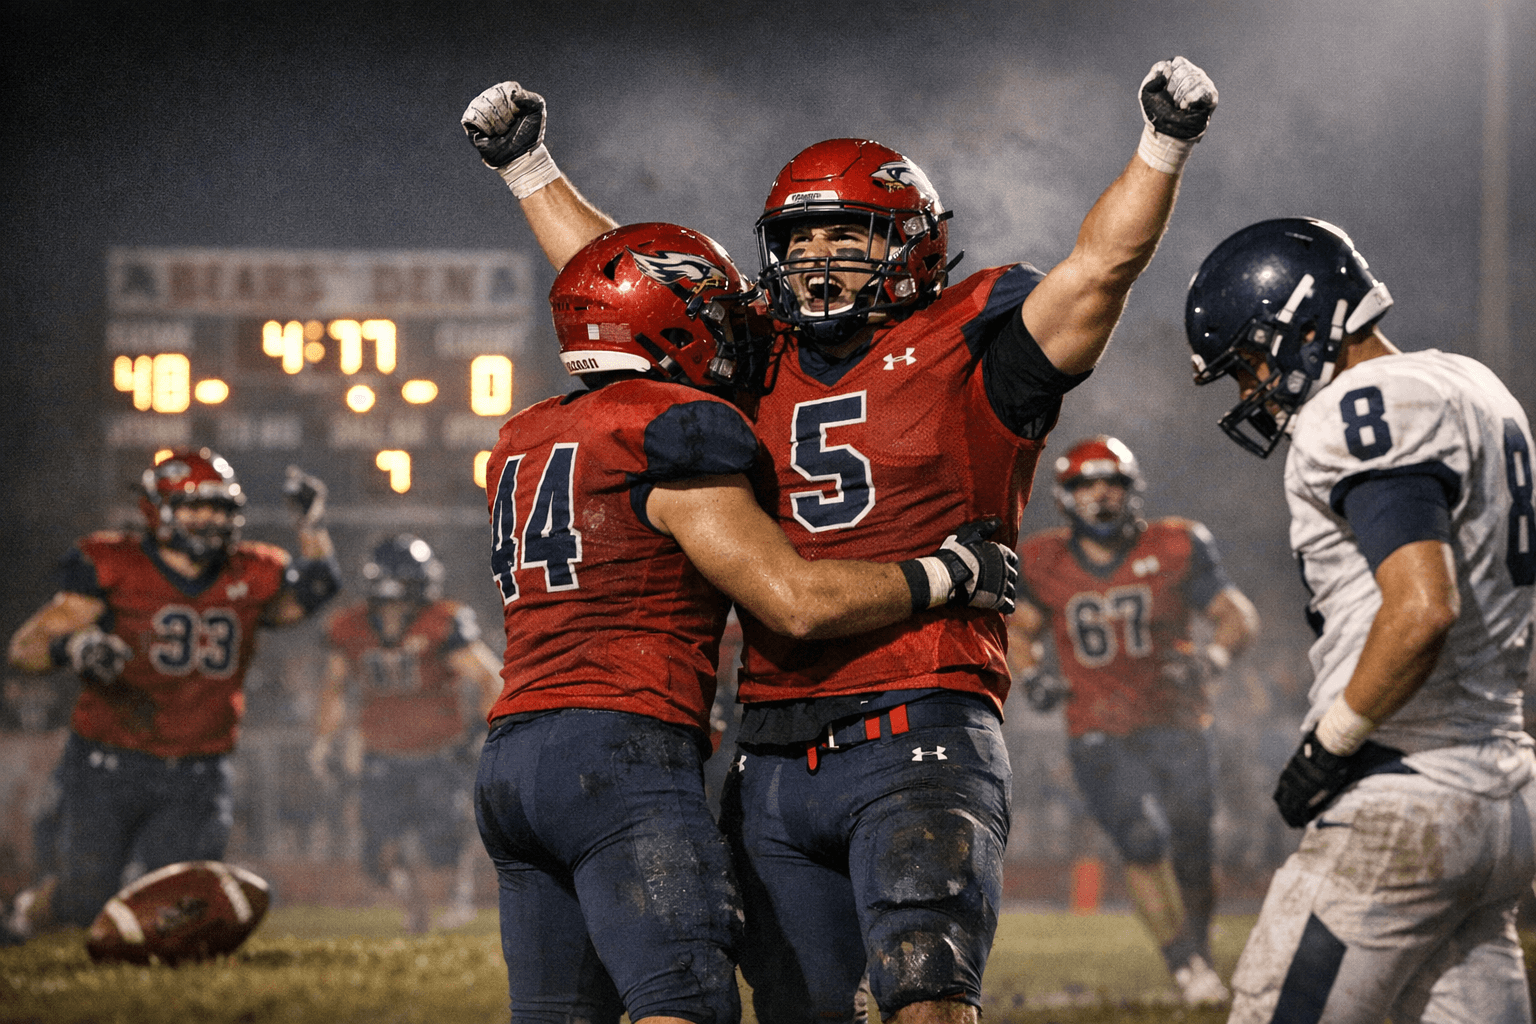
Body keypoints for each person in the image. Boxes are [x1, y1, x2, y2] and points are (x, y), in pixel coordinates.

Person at [462, 53, 1218, 1024]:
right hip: (771, 744)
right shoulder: (752, 348)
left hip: (920, 718)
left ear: (909, 243)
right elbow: (640, 275)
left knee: (926, 989)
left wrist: (1162, 143)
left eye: (848, 237)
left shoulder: (970, 336)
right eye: (801, 237)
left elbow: (1100, 268)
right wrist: (530, 169)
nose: (818, 258)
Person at [473, 221, 1018, 1024]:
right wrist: (946, 575)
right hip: (618, 753)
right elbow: (793, 602)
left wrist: (526, 171)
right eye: (715, 318)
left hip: (510, 760)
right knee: (684, 1002)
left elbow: (615, 268)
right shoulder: (676, 425)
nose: (735, 337)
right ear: (669, 322)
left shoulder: (522, 436)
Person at [1184, 217, 1536, 1021]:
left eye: (1248, 362)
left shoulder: (1363, 404)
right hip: (1504, 792)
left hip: (1404, 794)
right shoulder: (1474, 383)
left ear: (1305, 320)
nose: (1251, 391)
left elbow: (1421, 609)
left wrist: (1329, 743)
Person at [4, 450, 339, 935]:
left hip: (198, 768)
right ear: (157, 510)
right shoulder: (115, 564)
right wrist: (75, 646)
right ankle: (20, 918)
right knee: (83, 898)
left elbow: (316, 589)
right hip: (109, 761)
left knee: (176, 901)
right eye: (196, 507)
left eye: (222, 508)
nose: (212, 519)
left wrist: (311, 525)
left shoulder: (250, 570)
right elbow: (24, 648)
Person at [1007, 435, 1259, 1004]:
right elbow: (1019, 631)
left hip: (1179, 721)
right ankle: (1185, 966)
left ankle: (1196, 946)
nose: (1100, 494)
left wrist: (1214, 659)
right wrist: (1033, 675)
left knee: (1195, 851)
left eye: (1112, 482)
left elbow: (1235, 615)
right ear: (1065, 495)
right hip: (1098, 728)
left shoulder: (1176, 543)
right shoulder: (1044, 560)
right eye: (1086, 483)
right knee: (1141, 838)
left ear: (1132, 489)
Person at [308, 534, 502, 934]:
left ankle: (455, 901)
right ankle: (417, 913)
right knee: (379, 852)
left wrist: (482, 732)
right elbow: (334, 688)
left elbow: (487, 678)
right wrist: (325, 741)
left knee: (443, 842)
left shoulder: (441, 622)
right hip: (382, 752)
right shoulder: (351, 627)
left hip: (438, 751)